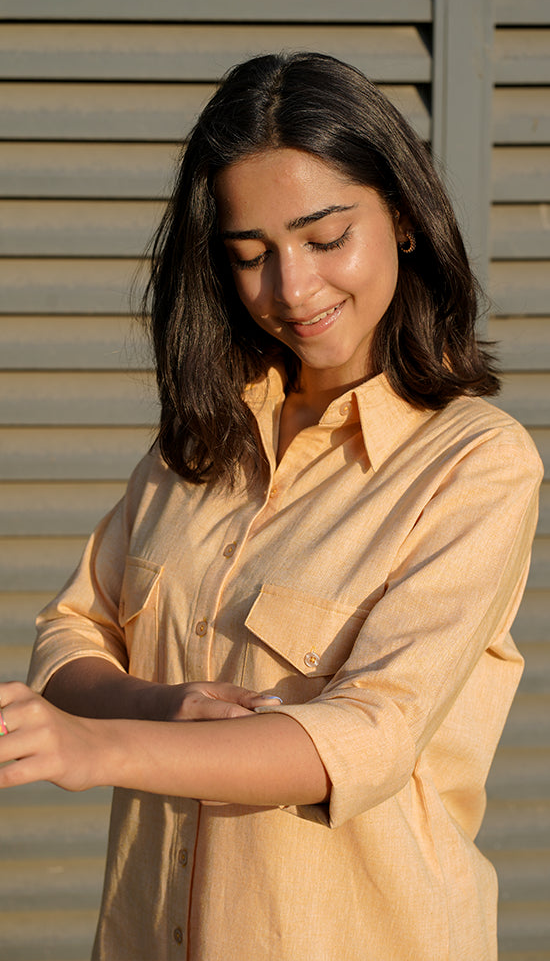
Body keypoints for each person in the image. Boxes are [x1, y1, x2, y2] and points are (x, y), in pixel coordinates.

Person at [0, 52, 543, 961]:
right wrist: (153, 705)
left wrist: (99, 747)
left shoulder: (477, 465)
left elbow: (366, 735)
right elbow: (70, 633)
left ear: (403, 218)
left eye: (326, 238)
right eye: (251, 256)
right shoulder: (198, 446)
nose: (292, 291)